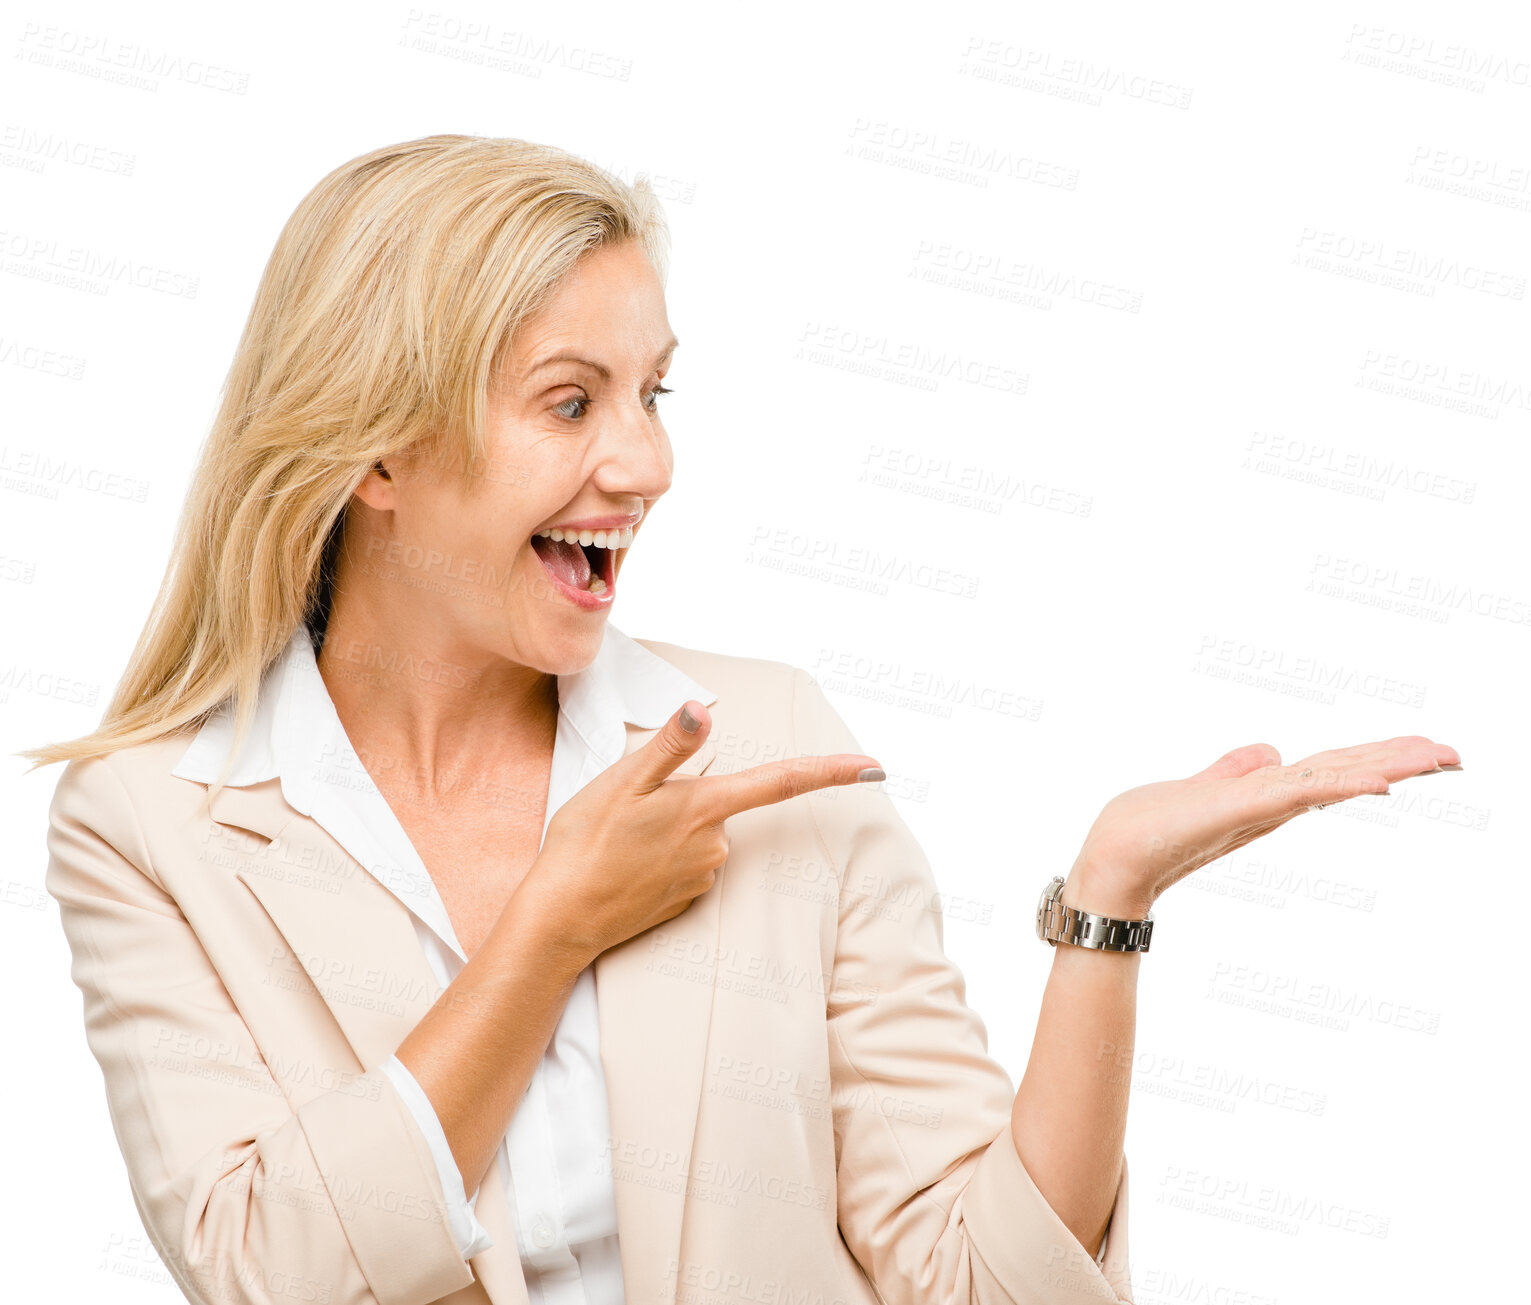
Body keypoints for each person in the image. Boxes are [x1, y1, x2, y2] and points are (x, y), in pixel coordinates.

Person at [25, 135, 1462, 1305]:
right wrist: (551, 931)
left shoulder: (764, 743)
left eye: (652, 393)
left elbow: (979, 1282)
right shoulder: (153, 821)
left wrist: (1108, 908)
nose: (645, 461)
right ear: (380, 450)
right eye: (570, 401)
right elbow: (265, 1268)